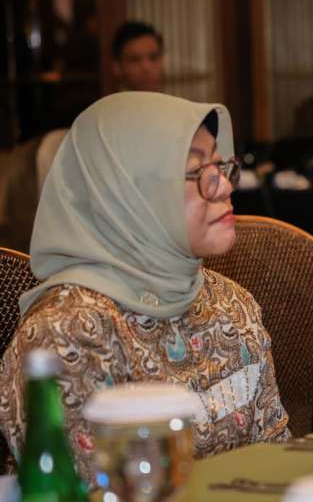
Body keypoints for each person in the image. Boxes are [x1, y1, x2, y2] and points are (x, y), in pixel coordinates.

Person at [0, 92, 290, 478]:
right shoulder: (65, 335)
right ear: (127, 195)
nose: (224, 187)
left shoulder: (231, 304)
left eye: (222, 167)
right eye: (198, 171)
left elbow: (276, 458)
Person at [112, 21, 165, 92]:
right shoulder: (111, 100)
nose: (146, 68)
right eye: (134, 60)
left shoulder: (174, 99)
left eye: (153, 57)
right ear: (117, 67)